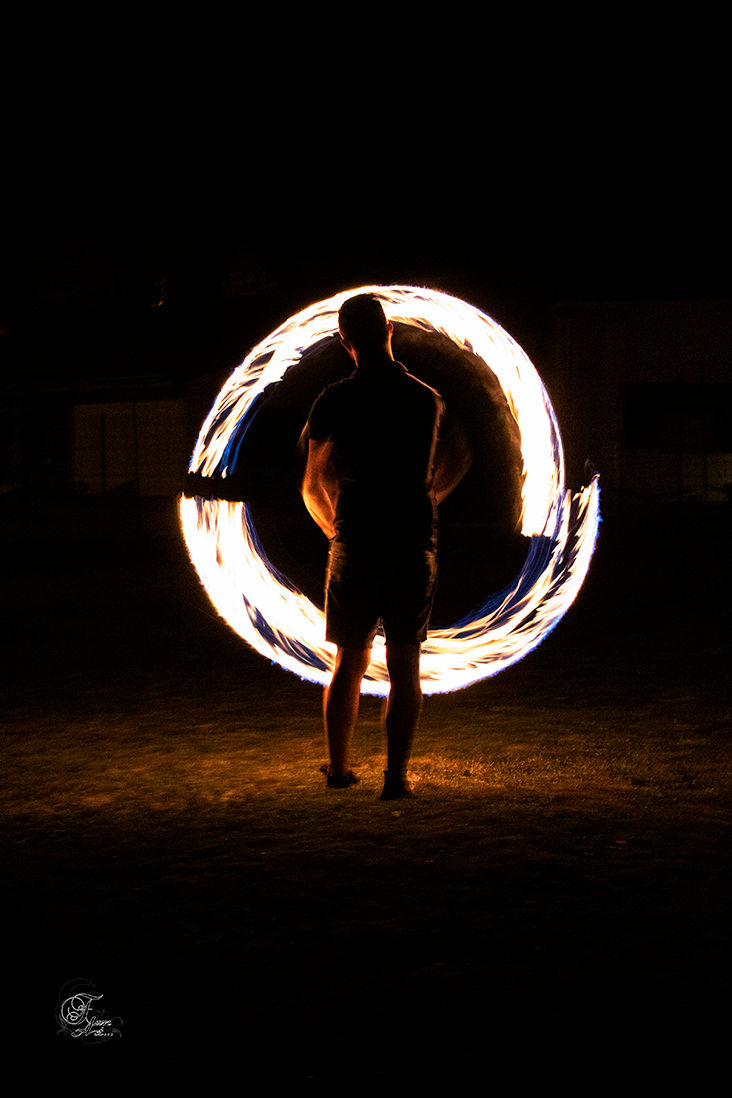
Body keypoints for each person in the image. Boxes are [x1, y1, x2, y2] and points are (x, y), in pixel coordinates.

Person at [301, 294, 469, 800]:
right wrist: (428, 499)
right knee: (404, 665)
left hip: (355, 542)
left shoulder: (334, 399)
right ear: (390, 329)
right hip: (412, 542)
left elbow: (311, 485)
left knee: (348, 661)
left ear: (344, 341)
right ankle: (395, 779)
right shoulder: (426, 398)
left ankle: (338, 770)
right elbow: (460, 457)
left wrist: (338, 530)